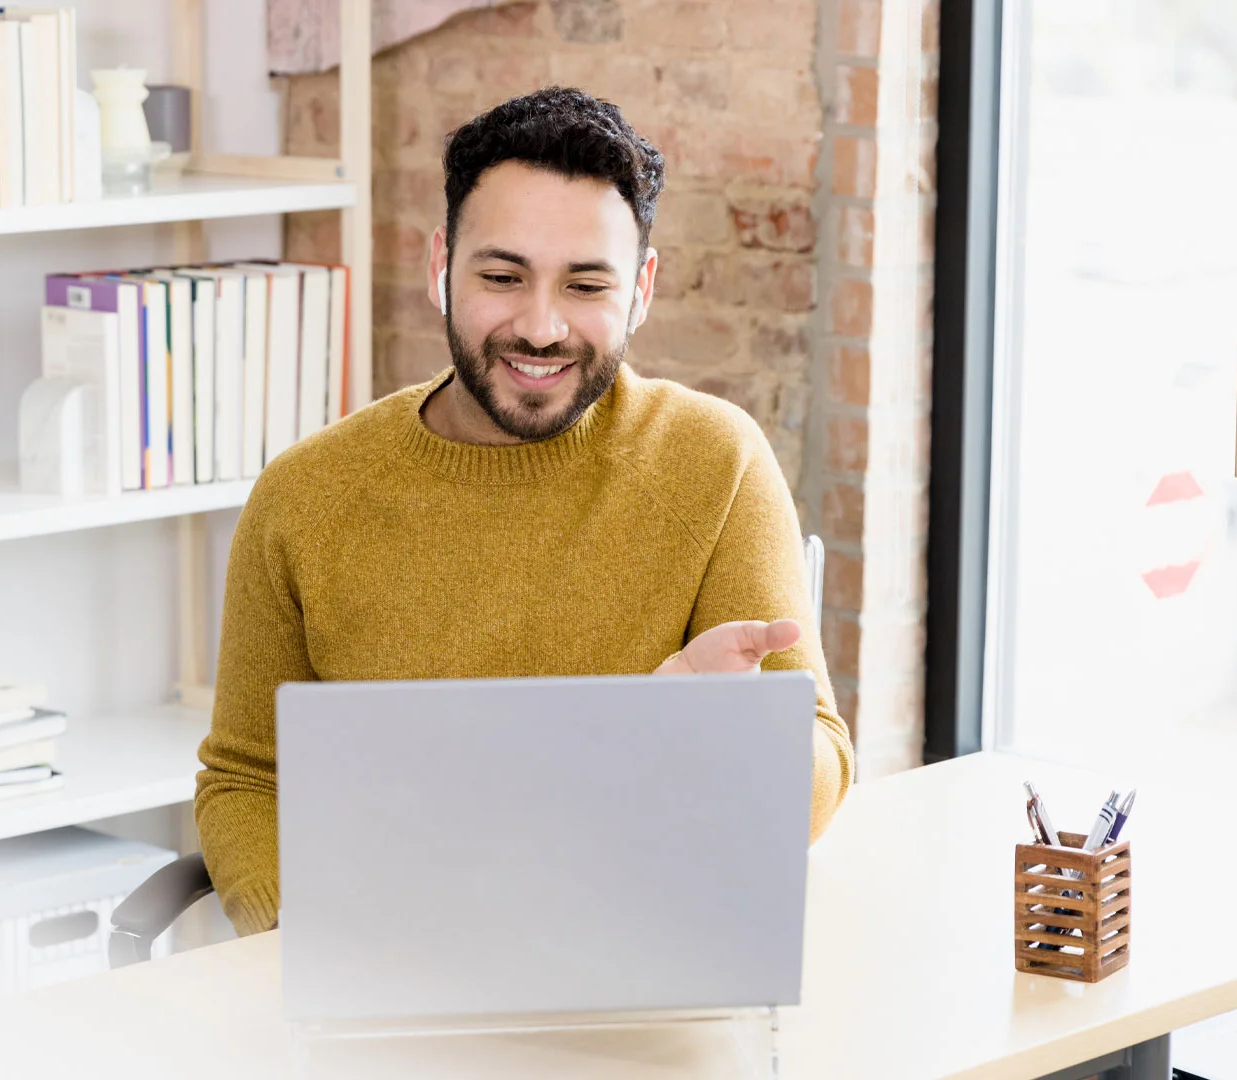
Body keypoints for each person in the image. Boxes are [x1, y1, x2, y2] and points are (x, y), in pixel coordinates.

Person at [195, 87, 853, 936]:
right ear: (441, 267)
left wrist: (715, 742)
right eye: (502, 277)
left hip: (645, 962)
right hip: (383, 978)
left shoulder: (714, 462)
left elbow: (824, 771)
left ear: (642, 289)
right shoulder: (303, 499)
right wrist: (310, 946)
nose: (541, 328)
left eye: (585, 284)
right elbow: (248, 780)